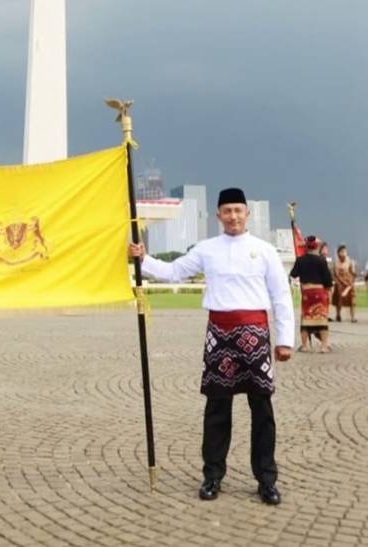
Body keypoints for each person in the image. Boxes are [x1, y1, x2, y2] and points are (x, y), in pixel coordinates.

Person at [129, 187, 294, 505]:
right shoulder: (207, 249)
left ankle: (266, 479)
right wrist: (143, 258)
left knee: (262, 408)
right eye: (227, 211)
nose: (233, 216)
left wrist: (285, 340)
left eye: (238, 210)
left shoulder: (264, 251)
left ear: (247, 214)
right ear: (218, 216)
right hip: (219, 334)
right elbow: (174, 271)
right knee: (217, 407)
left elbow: (281, 296)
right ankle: (213, 476)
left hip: (255, 334)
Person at [289, 235, 333, 353]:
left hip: (307, 293)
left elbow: (293, 274)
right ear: (317, 247)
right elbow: (328, 281)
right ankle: (324, 346)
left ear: (306, 247)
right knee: (322, 318)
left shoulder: (300, 260)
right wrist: (328, 291)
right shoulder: (321, 260)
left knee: (305, 319)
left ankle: (305, 346)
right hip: (319, 292)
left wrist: (299, 263)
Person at [332, 244, 357, 323]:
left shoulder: (350, 262)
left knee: (352, 301)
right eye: (342, 251)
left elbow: (353, 274)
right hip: (340, 284)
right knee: (338, 301)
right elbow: (335, 275)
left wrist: (349, 285)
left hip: (349, 284)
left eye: (345, 251)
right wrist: (339, 283)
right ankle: (338, 315)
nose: (344, 253)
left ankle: (353, 317)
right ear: (338, 253)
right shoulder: (336, 263)